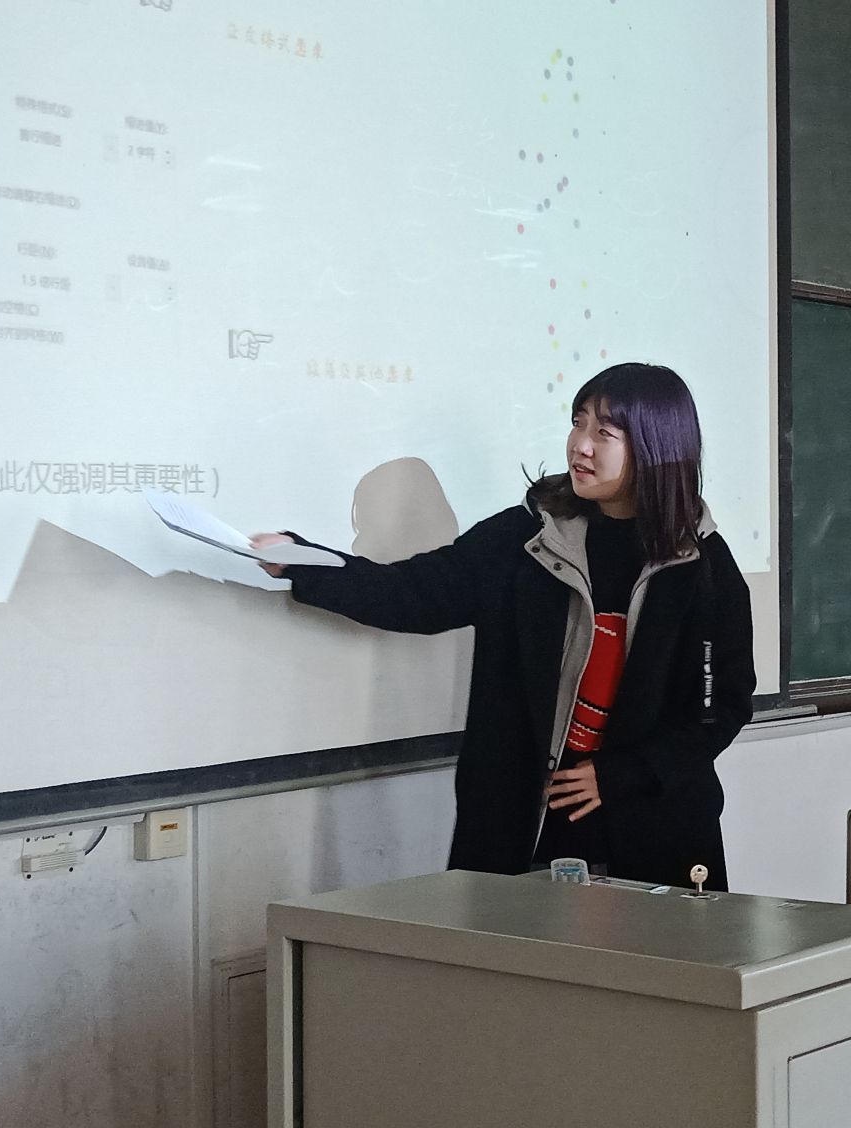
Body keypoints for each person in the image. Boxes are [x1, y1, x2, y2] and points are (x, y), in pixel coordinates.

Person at [254, 363, 756, 890]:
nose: (580, 445)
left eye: (604, 432)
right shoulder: (526, 538)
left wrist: (621, 775)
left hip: (653, 829)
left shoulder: (701, 565)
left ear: (657, 448)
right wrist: (304, 562)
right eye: (578, 423)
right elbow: (414, 594)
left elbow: (721, 707)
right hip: (523, 824)